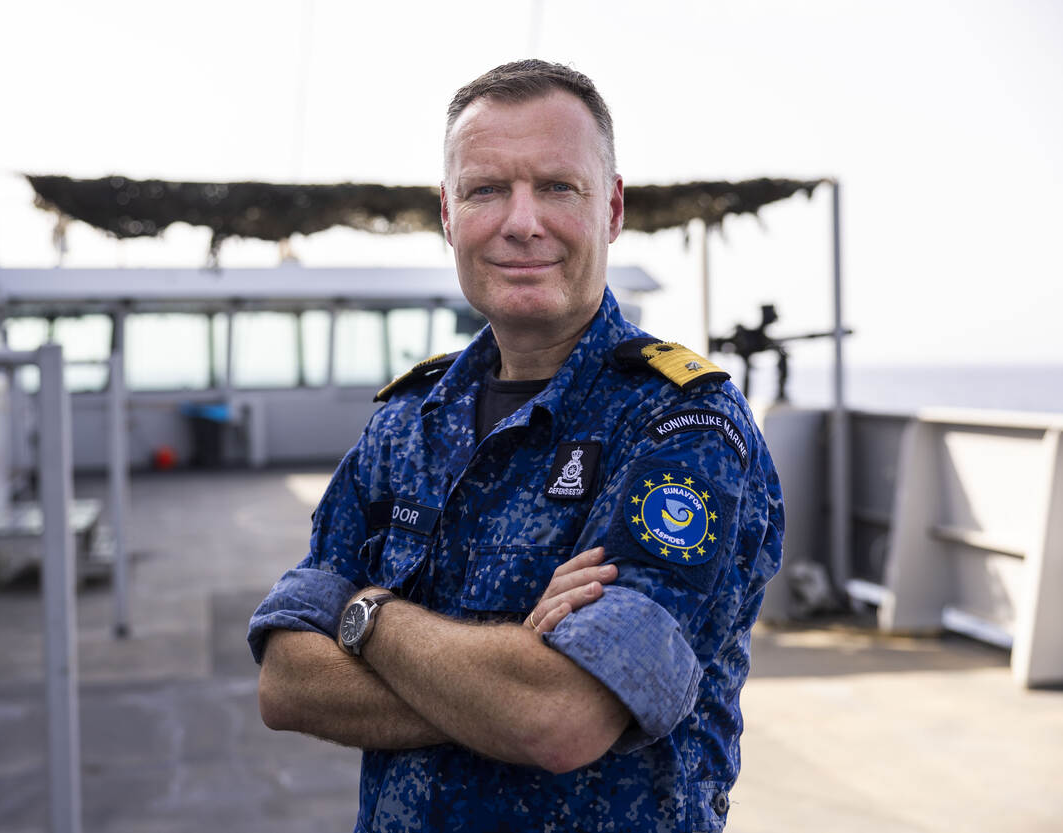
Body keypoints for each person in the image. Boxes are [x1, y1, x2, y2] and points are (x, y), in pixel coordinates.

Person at [248, 59, 784, 832]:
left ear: (611, 208)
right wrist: (507, 668)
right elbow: (286, 681)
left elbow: (559, 716)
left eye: (558, 187)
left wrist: (366, 615)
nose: (522, 221)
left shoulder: (683, 426)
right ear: (448, 214)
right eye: (486, 190)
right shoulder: (406, 422)